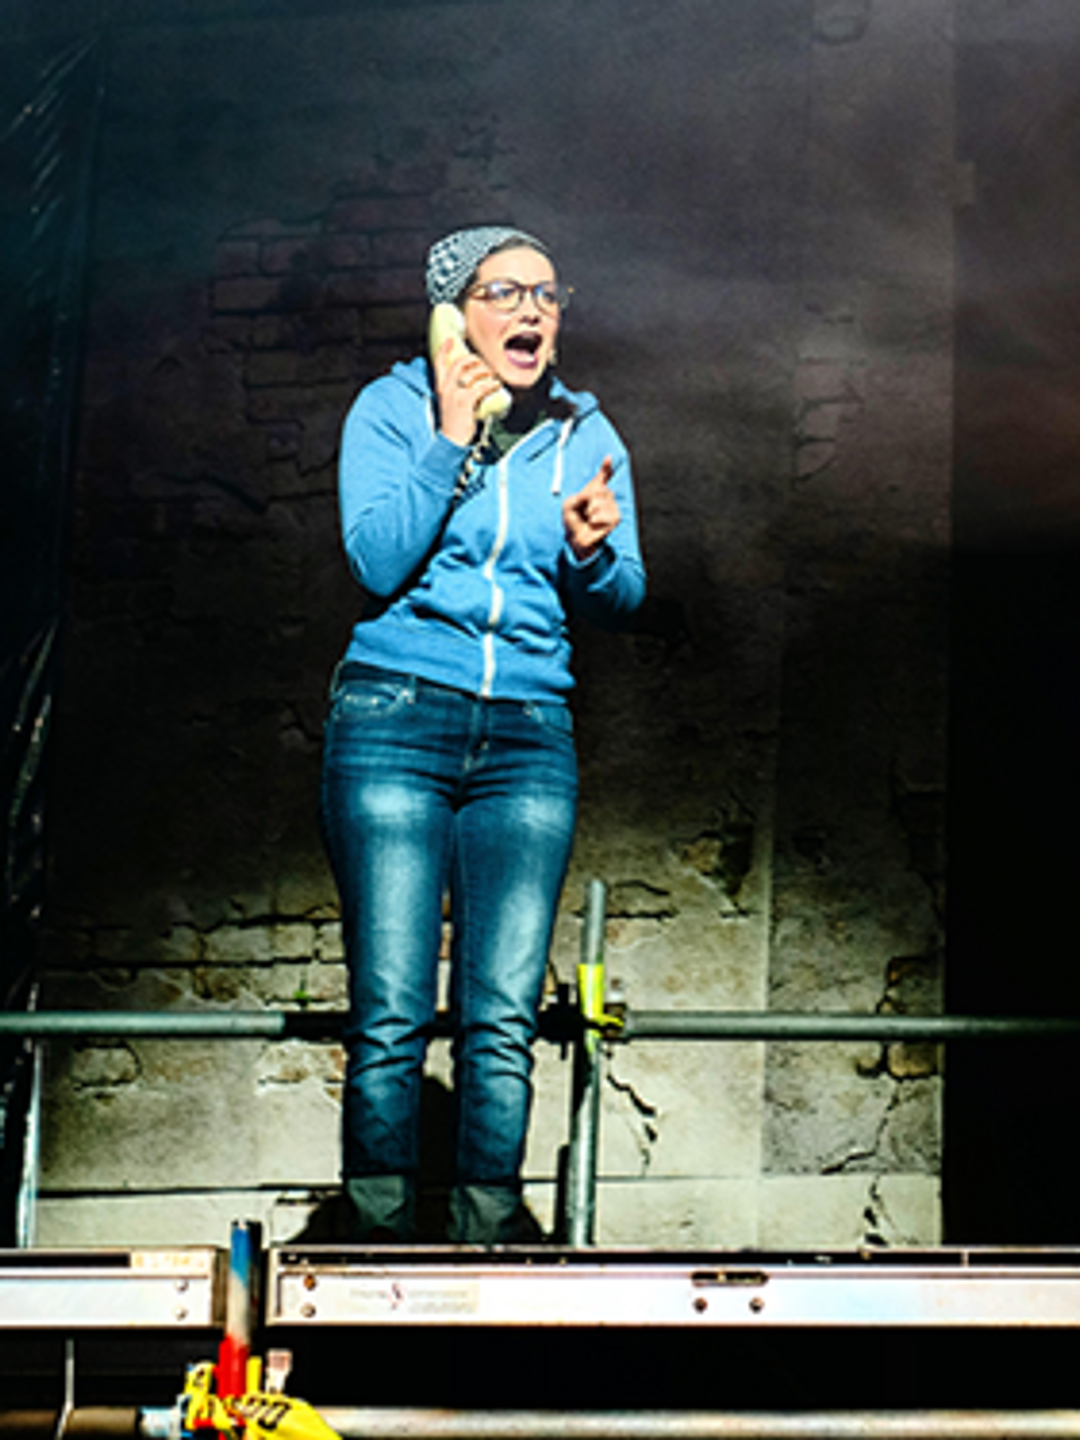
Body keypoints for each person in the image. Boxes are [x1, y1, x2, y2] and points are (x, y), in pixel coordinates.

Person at [320, 225, 646, 1245]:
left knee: (501, 1015)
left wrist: (593, 557)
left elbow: (626, 595)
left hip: (527, 741)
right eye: (506, 292)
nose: (534, 312)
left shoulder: (588, 435)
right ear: (453, 313)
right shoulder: (391, 410)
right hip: (395, 725)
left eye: (549, 294)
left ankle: (488, 1234)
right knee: (393, 1009)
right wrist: (450, 437)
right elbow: (376, 560)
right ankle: (377, 1235)